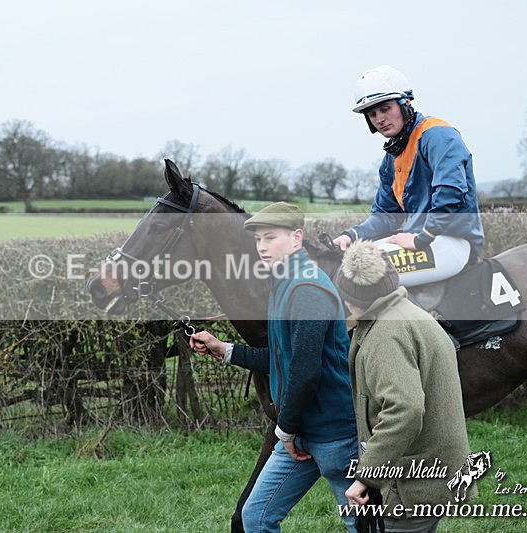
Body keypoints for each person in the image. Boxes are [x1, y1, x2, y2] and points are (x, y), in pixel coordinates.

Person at [190, 202, 358, 532]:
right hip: (300, 433)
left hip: (335, 437)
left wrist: (286, 430)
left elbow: (306, 372)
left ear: (297, 238)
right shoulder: (282, 283)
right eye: (257, 240)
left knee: (362, 525)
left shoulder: (307, 290)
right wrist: (224, 350)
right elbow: (283, 358)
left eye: (271, 238)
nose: (262, 247)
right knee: (257, 517)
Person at [333, 240, 474, 532]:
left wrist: (366, 476)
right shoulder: (407, 312)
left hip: (412, 486)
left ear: (349, 296)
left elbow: (405, 410)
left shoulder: (387, 334)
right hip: (431, 473)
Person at [333, 65, 485, 286]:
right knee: (345, 267)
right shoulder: (391, 158)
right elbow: (387, 215)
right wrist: (352, 235)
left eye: (385, 109)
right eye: (372, 114)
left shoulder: (438, 134)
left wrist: (423, 237)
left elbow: (451, 194)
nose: (379, 118)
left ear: (406, 103)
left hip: (453, 242)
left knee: (361, 274)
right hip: (418, 240)